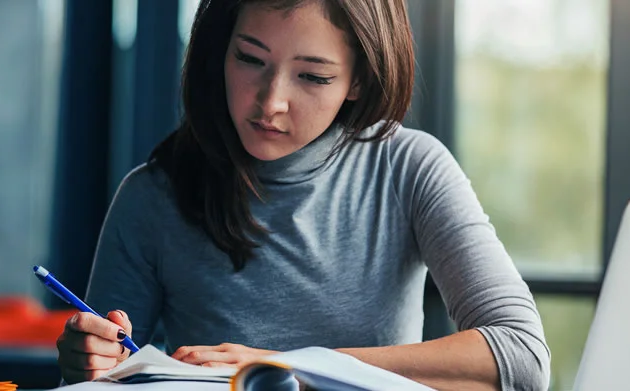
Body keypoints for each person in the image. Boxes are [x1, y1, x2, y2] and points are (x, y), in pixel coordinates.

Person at [55, 0, 550, 390]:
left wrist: (289, 367)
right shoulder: (152, 196)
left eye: (313, 76)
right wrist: (90, 366)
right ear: (220, 50)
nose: (271, 103)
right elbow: (103, 381)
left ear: (358, 79)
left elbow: (522, 357)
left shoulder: (409, 169)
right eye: (250, 58)